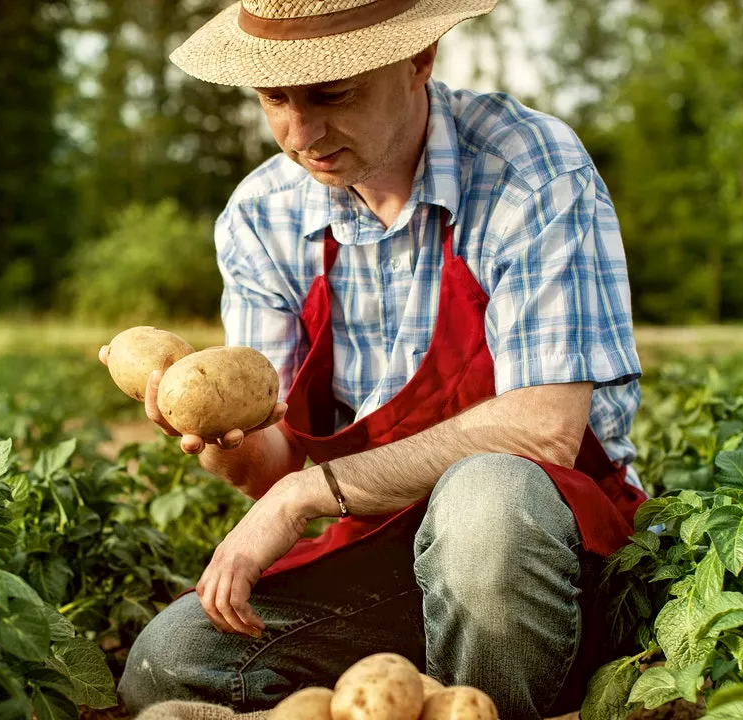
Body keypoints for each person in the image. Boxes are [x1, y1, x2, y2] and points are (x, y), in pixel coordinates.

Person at [102, 1, 649, 718]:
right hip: (383, 558)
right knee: (169, 661)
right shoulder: (261, 215)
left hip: (545, 558)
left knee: (485, 504)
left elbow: (543, 430)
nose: (302, 135)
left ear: (419, 60)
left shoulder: (529, 172)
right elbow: (274, 463)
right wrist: (216, 441)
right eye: (276, 100)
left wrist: (305, 494)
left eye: (333, 94)